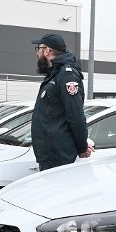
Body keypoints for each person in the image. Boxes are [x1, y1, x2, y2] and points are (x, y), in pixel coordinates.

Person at [30, 33, 94, 170]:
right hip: (50, 154)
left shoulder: (66, 75)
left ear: (47, 51)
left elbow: (75, 114)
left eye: (38, 49)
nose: (37, 53)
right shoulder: (55, 74)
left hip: (58, 155)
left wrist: (82, 146)